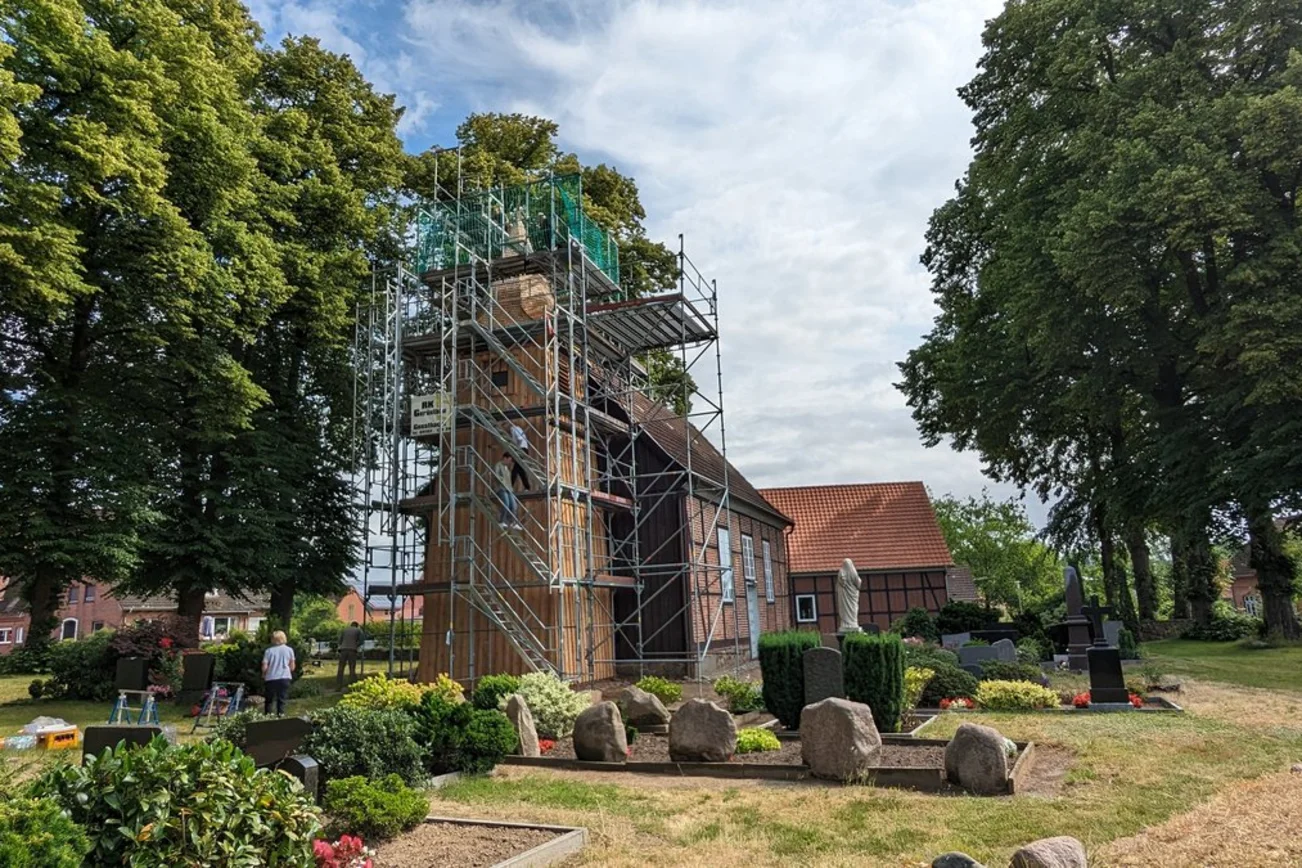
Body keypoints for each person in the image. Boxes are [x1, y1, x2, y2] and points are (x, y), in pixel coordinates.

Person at [261, 630, 296, 716]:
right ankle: (281, 716)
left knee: (269, 700)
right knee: (282, 699)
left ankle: (267, 718)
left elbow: (265, 665)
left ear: (274, 639)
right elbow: (292, 666)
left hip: (271, 677)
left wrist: (263, 674)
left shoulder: (269, 651)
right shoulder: (289, 650)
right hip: (284, 677)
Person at [494, 451, 522, 529]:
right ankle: (502, 521)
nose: (510, 462)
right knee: (506, 503)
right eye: (509, 460)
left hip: (509, 489)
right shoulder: (498, 465)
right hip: (501, 488)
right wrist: (503, 482)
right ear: (504, 458)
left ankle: (512, 522)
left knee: (514, 505)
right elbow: (496, 476)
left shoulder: (507, 468)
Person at [336, 620, 364, 690]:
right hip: (352, 650)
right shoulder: (358, 630)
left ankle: (338, 686)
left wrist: (341, 646)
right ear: (357, 625)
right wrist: (356, 645)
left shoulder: (345, 630)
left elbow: (340, 640)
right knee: (352, 668)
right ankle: (352, 685)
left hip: (343, 650)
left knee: (341, 668)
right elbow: (361, 640)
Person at [507, 422, 531, 491]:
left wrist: (517, 447)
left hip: (521, 449)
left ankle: (510, 486)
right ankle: (527, 487)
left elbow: (520, 439)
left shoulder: (514, 429)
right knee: (520, 470)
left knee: (515, 470)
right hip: (524, 449)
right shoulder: (518, 429)